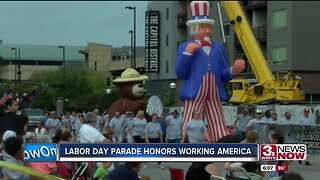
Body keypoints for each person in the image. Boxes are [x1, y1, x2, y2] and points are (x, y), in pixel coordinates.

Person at [176, 1, 245, 143]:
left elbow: (223, 73)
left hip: (214, 90)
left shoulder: (218, 48)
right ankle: (186, 138)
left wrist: (233, 70)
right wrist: (187, 54)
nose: (207, 31)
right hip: (195, 90)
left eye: (208, 27)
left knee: (217, 116)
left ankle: (220, 136)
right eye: (203, 27)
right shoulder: (185, 46)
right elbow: (180, 73)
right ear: (194, 29)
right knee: (191, 115)